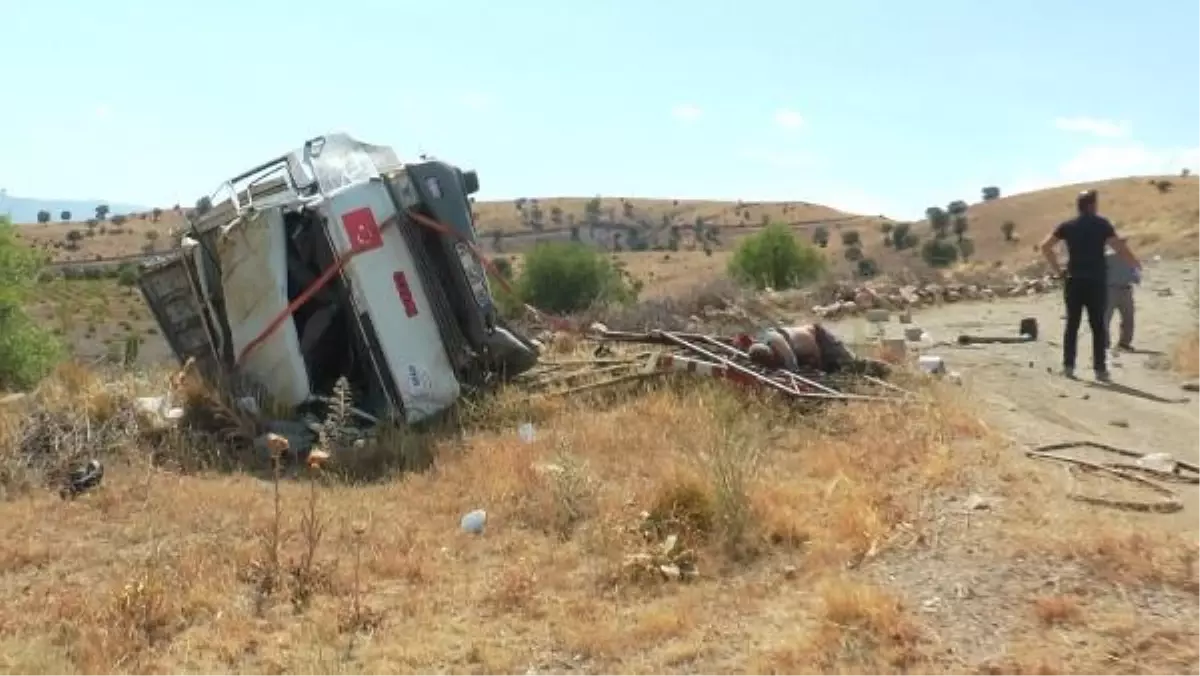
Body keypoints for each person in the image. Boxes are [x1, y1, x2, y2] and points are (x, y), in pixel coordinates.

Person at [1039, 189, 1140, 381]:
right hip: (1096, 281)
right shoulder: (1102, 224)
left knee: (1072, 324)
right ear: (1092, 205)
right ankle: (1100, 370)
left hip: (1074, 281)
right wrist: (1134, 263)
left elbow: (1045, 247)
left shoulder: (1067, 226)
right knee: (1098, 326)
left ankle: (1069, 367)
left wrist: (1058, 271)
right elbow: (1118, 247)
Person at [737, 323, 890, 378]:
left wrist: (821, 367)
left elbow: (794, 367)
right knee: (837, 372)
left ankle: (887, 370)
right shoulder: (760, 344)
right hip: (807, 351)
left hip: (819, 339)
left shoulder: (781, 346)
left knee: (851, 364)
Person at [1104, 236, 1140, 351]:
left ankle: (1124, 343)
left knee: (1128, 318)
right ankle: (1104, 343)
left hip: (1126, 289)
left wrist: (1135, 278)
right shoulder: (1107, 257)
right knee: (1105, 318)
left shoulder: (1129, 257)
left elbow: (1135, 272)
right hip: (1110, 290)